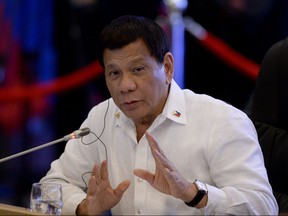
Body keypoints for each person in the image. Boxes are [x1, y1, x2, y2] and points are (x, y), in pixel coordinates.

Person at [40, 15, 278, 215]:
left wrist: (194, 194)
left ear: (167, 67)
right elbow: (49, 188)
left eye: (137, 70)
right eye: (114, 73)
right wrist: (83, 208)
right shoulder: (101, 118)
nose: (125, 86)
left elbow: (264, 207)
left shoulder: (221, 120)